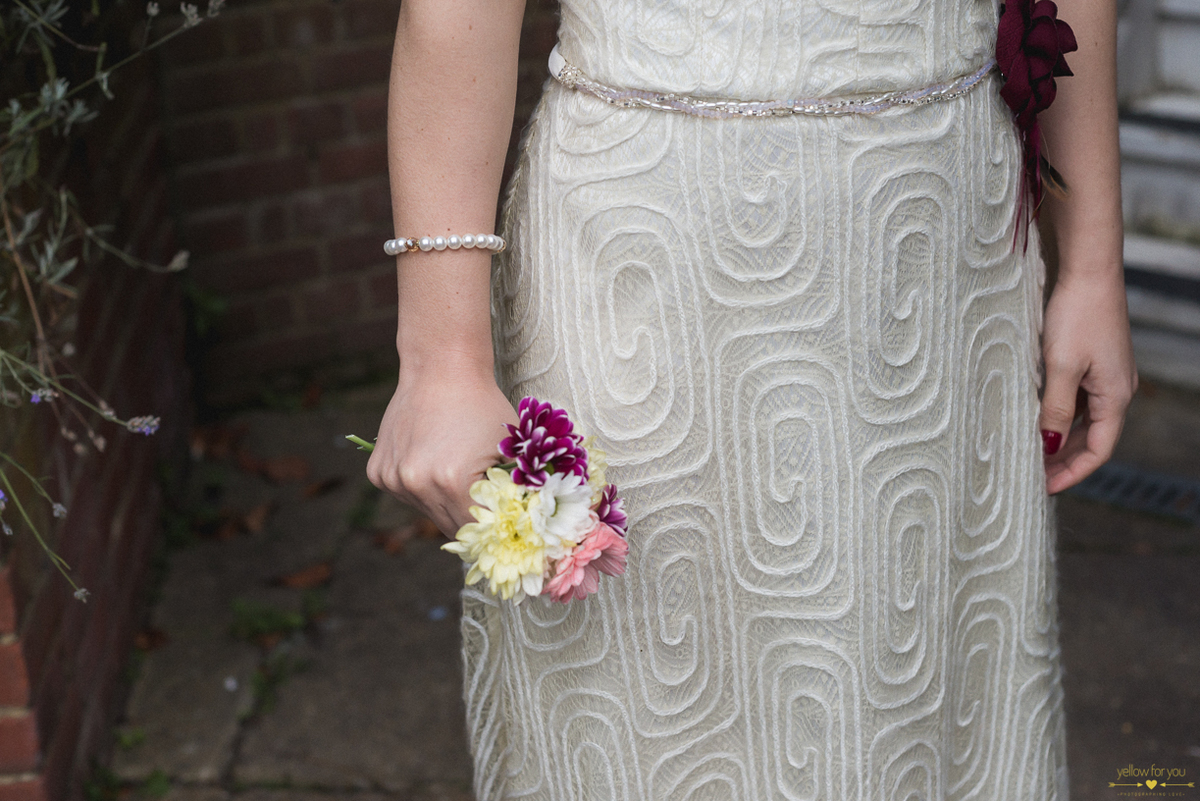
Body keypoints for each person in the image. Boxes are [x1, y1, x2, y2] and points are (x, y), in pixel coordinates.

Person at [367, 0, 1138, 798]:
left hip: (936, 251)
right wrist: (443, 359)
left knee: (927, 691)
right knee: (644, 706)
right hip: (654, 252)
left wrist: (1092, 263)